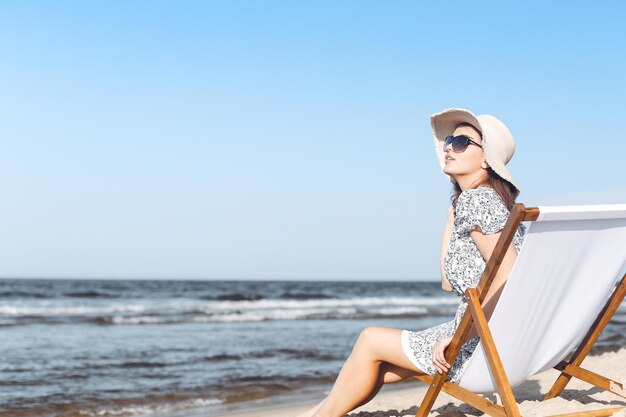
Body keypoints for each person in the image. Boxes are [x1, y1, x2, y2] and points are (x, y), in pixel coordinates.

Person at [294, 108, 527, 417]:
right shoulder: (484, 203)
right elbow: (448, 282)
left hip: (480, 345)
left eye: (462, 142)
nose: (448, 147)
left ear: (487, 159)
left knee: (370, 339)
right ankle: (316, 414)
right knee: (376, 362)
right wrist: (451, 215)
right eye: (449, 140)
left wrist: (460, 337)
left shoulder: (479, 201)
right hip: (501, 339)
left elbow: (509, 275)